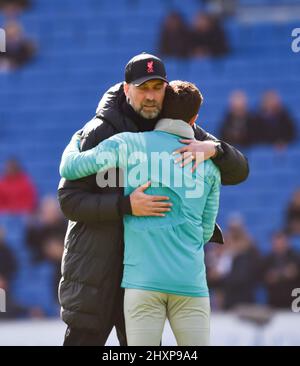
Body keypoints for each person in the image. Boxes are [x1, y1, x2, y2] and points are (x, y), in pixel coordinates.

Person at [58, 52, 249, 346]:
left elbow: (239, 171)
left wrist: (216, 150)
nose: (150, 97)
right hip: (96, 273)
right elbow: (68, 201)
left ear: (166, 89)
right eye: (142, 88)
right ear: (126, 89)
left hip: (146, 277)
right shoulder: (100, 132)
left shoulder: (180, 129)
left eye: (157, 88)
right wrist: (125, 206)